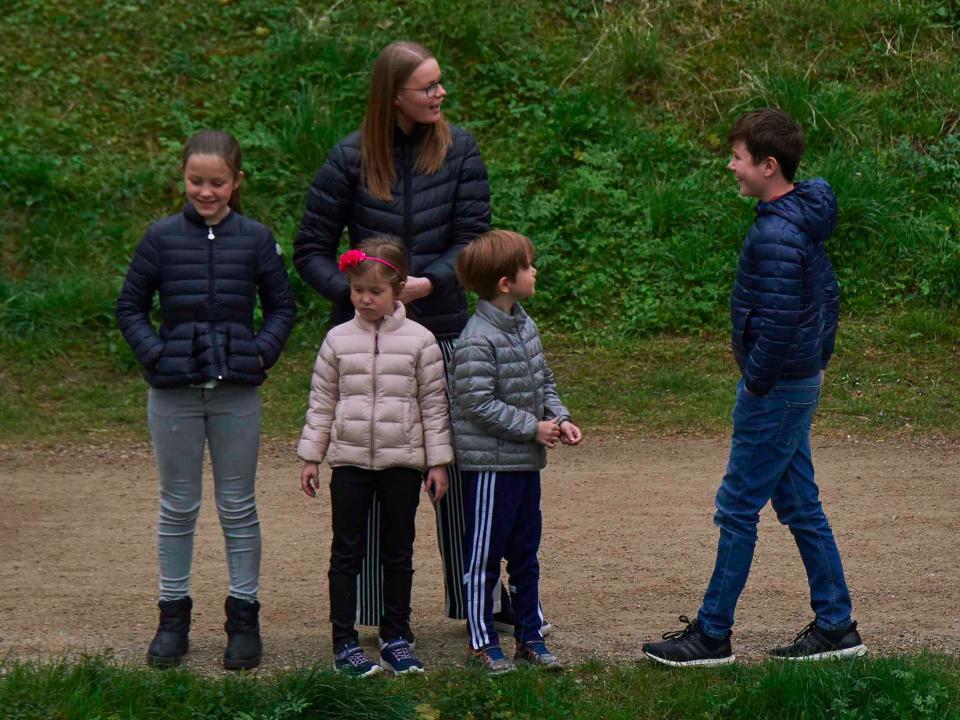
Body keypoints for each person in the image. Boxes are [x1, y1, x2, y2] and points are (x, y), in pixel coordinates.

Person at [293, 40, 522, 634]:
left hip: (442, 332)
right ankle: (374, 613)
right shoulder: (347, 158)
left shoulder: (460, 150)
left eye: (440, 84)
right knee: (372, 470)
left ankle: (474, 598)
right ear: (393, 95)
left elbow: (473, 237)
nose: (440, 94)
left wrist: (433, 281)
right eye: (428, 87)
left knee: (457, 472)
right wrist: (358, 295)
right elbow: (310, 249)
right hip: (367, 351)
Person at [642, 108, 866, 667]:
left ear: (768, 166)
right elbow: (829, 297)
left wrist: (758, 380)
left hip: (775, 390)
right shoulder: (800, 218)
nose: (731, 166)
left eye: (738, 158)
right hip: (795, 382)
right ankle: (838, 627)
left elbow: (783, 317)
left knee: (737, 508)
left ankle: (712, 635)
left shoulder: (776, 232)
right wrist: (818, 360)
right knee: (800, 504)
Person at [116, 129, 296, 669]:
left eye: (217, 182)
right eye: (196, 181)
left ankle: (244, 620)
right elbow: (130, 307)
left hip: (236, 395)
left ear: (236, 182)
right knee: (178, 506)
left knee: (238, 506)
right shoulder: (160, 237)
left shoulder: (257, 239)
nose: (206, 192)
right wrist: (157, 355)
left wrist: (260, 354)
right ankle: (173, 618)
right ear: (184, 179)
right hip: (173, 396)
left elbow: (282, 308)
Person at [298, 237, 453, 676]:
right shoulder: (337, 340)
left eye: (376, 291)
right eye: (357, 290)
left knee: (398, 551)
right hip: (348, 463)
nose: (365, 299)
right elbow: (322, 401)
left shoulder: (422, 341)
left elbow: (434, 406)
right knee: (346, 551)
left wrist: (437, 461)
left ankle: (396, 634)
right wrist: (312, 455)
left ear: (398, 289)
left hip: (402, 462)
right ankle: (343, 641)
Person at [450, 229, 583, 674]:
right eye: (528, 266)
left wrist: (560, 418)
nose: (535, 271)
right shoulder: (475, 340)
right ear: (506, 283)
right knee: (485, 556)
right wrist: (534, 428)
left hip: (526, 464)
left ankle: (530, 637)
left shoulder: (525, 325)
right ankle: (482, 642)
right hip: (490, 469)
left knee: (526, 552)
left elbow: (543, 380)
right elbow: (478, 405)